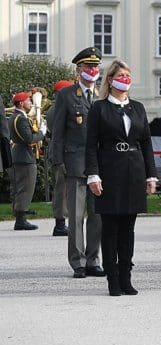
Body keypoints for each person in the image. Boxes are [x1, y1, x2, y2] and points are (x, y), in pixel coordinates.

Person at [85, 61, 157, 296]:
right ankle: (112, 279)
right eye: (120, 75)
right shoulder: (99, 108)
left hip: (134, 170)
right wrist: (93, 175)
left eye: (128, 75)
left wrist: (151, 175)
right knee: (111, 228)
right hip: (109, 170)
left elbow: (146, 143)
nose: (125, 78)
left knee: (128, 228)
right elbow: (91, 145)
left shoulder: (137, 107)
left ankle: (126, 276)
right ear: (110, 79)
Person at [50, 47, 105, 279]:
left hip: (100, 166)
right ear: (79, 69)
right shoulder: (67, 95)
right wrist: (57, 161)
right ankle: (78, 262)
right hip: (74, 163)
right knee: (75, 217)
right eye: (88, 67)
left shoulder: (103, 95)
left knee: (97, 216)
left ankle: (94, 260)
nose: (92, 70)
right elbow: (58, 132)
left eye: (95, 66)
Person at [9, 91, 46, 231]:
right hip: (24, 157)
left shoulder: (15, 117)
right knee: (26, 188)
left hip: (20, 156)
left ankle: (20, 217)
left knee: (21, 188)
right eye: (28, 101)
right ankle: (20, 220)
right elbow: (29, 139)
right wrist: (41, 132)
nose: (30, 103)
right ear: (21, 103)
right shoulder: (21, 118)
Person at [46, 80, 74, 236]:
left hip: (65, 151)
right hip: (62, 152)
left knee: (64, 189)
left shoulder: (55, 108)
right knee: (61, 189)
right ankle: (60, 223)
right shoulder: (57, 109)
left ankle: (63, 221)